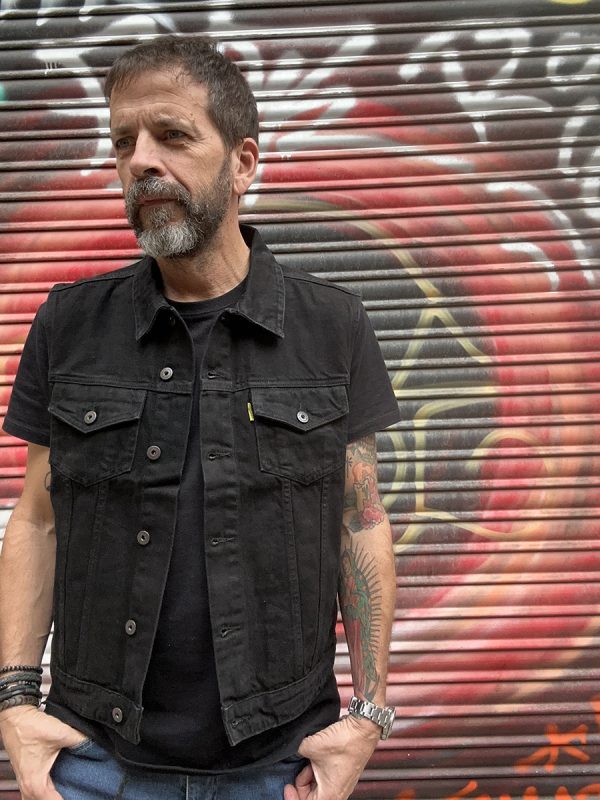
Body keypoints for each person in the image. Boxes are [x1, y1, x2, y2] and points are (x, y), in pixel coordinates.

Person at [0, 35, 399, 800]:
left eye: (173, 136)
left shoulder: (332, 326)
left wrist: (370, 715)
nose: (141, 161)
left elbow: (360, 520)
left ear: (243, 163)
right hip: (95, 761)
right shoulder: (69, 324)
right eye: (124, 141)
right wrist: (14, 704)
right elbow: (39, 521)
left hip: (279, 766)